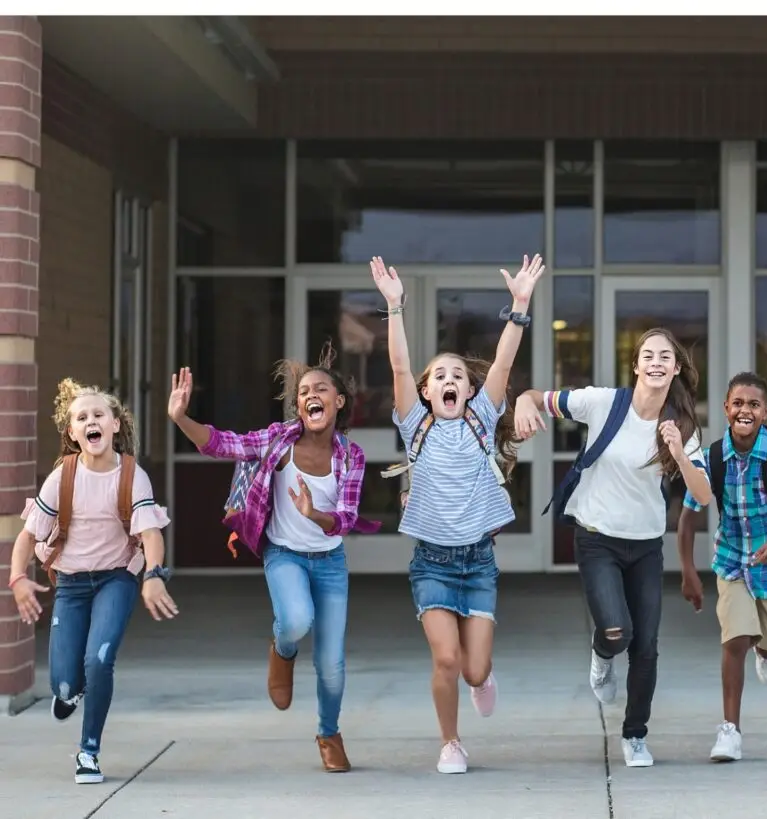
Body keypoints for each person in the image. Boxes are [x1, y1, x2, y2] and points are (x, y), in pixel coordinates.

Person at [371, 253, 543, 775]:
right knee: (445, 660)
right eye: (438, 377)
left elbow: (505, 364)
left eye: (457, 377)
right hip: (432, 564)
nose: (448, 380)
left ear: (469, 391)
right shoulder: (415, 427)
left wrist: (519, 306)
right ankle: (451, 743)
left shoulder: (480, 421)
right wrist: (394, 307)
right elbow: (399, 364)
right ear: (426, 393)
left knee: (473, 670)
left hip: (478, 564)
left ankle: (482, 680)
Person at [167, 349, 380, 773]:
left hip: (330, 563)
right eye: (304, 392)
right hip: (284, 556)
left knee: (331, 665)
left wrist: (314, 514)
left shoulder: (350, 457)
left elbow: (347, 520)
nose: (311, 395)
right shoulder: (278, 440)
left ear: (338, 401)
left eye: (321, 388)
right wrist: (180, 419)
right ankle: (282, 650)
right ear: (299, 406)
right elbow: (225, 444)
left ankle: (328, 732)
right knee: (296, 622)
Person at [514, 328, 712, 768]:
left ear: (675, 367)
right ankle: (602, 654)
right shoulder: (604, 402)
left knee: (646, 647)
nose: (657, 362)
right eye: (648, 355)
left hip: (645, 546)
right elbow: (537, 397)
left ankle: (635, 735)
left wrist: (679, 454)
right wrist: (525, 403)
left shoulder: (680, 425)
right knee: (617, 632)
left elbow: (703, 493)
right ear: (637, 366)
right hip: (597, 537)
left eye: (666, 356)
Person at [8, 378, 176, 785]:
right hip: (71, 585)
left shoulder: (132, 475)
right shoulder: (61, 478)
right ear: (72, 432)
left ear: (116, 424)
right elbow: (28, 536)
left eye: (99, 414)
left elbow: (151, 533)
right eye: (81, 417)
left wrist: (153, 574)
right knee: (64, 680)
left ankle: (88, 751)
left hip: (116, 579)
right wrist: (17, 579)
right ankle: (69, 692)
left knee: (99, 660)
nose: (91, 421)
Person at [677, 371, 767, 763]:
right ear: (725, 408)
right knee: (735, 639)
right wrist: (688, 571)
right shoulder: (711, 458)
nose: (745, 410)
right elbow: (688, 518)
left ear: (766, 411)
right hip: (732, 560)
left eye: (754, 404)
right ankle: (730, 731)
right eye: (738, 403)